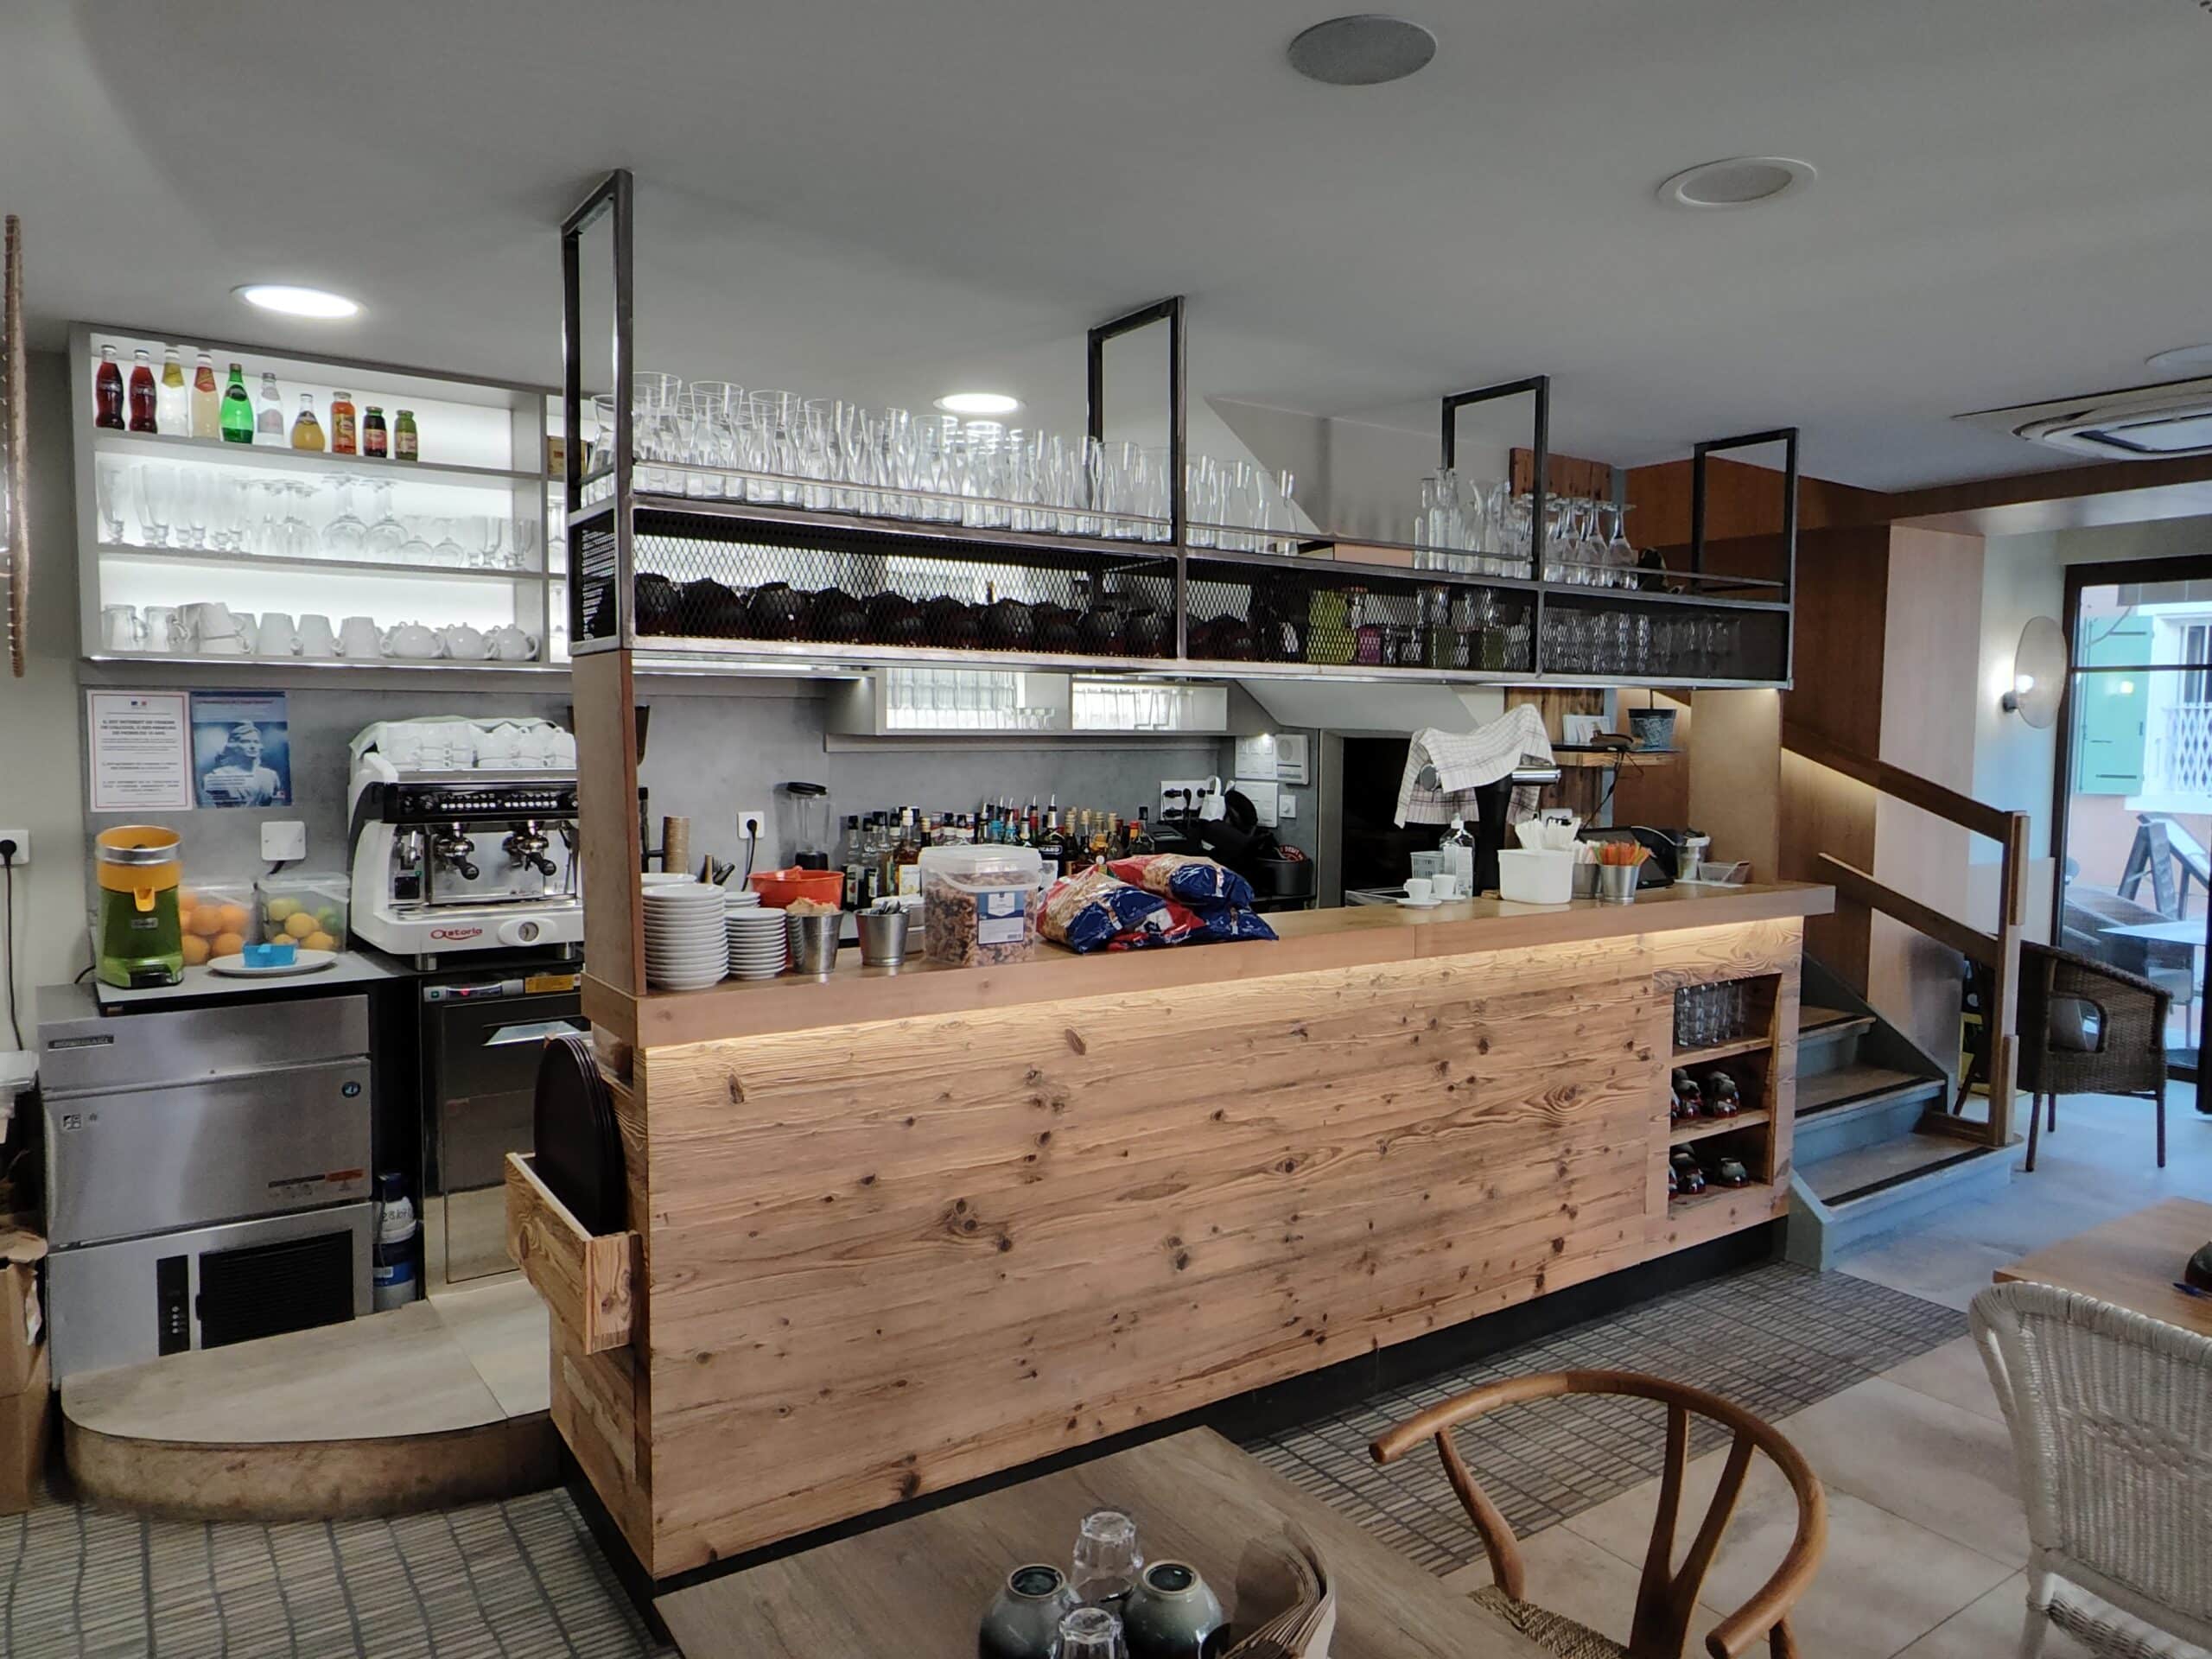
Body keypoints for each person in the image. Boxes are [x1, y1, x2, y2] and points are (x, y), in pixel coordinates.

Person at [200, 721, 284, 806]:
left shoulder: (271, 775)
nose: (252, 746)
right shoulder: (216, 777)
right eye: (245, 742)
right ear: (235, 747)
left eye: (256, 742)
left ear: (260, 746)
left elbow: (277, 804)